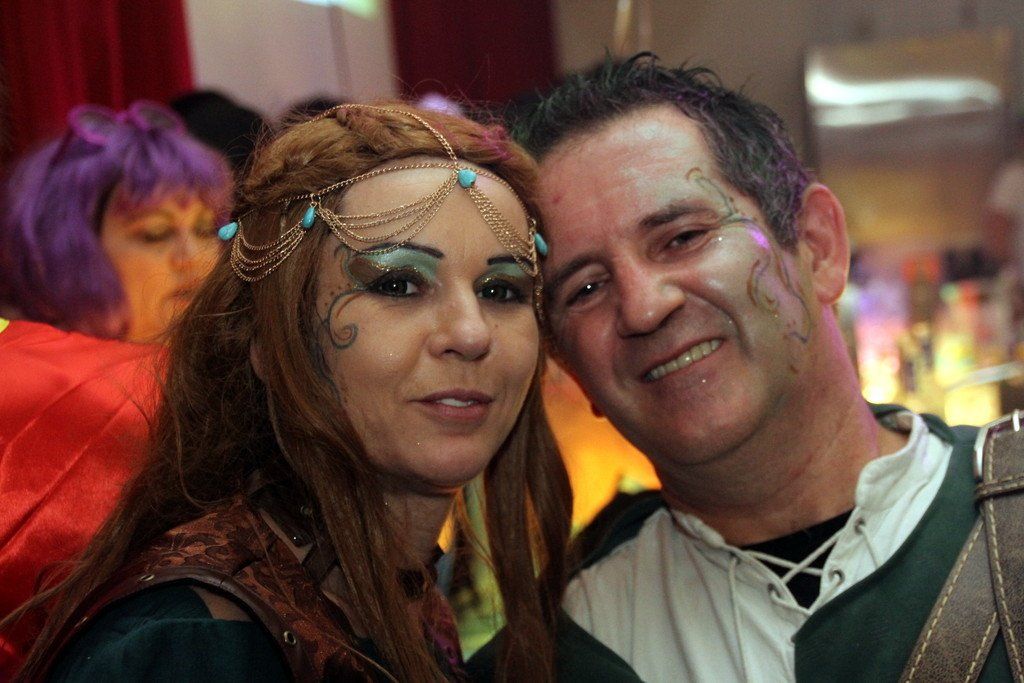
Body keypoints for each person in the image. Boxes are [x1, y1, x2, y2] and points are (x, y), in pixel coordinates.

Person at [468, 54, 1015, 681]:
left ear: (817, 247)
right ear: (569, 365)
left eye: (682, 238)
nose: (644, 307)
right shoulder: (553, 658)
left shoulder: (1007, 522)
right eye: (586, 288)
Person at [5, 102, 571, 682]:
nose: (472, 334)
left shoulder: (404, 600)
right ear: (272, 341)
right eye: (399, 284)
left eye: (501, 290)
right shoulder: (192, 646)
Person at [0, 100, 232, 342]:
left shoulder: (232, 355)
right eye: (156, 233)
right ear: (66, 254)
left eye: (205, 230)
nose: (194, 256)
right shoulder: (22, 361)